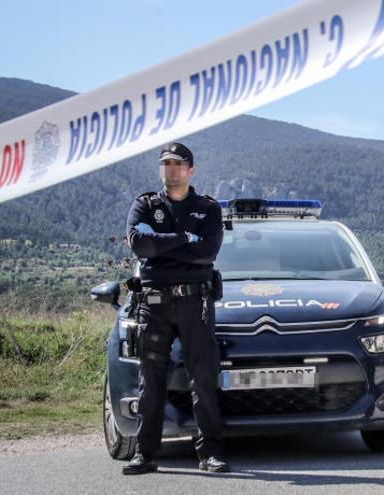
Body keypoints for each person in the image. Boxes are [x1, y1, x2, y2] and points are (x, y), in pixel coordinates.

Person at [122, 142, 229, 474]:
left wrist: (163, 244)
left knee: (203, 379)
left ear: (191, 170)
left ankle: (209, 453)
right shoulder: (145, 204)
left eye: (178, 164)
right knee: (150, 381)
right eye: (166, 163)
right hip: (153, 305)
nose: (171, 169)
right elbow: (141, 245)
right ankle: (145, 453)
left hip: (195, 302)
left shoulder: (207, 208)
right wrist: (185, 237)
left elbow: (207, 253)